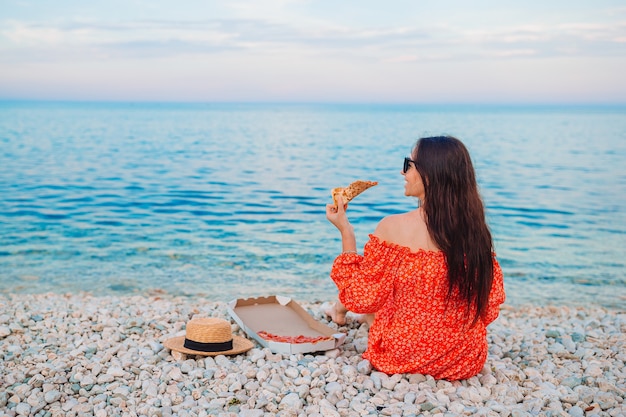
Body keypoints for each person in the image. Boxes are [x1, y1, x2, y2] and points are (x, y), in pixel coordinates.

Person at [325, 135, 505, 380]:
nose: (403, 172)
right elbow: (488, 306)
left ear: (429, 174)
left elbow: (360, 297)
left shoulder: (393, 227)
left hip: (401, 356)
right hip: (462, 359)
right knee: (398, 293)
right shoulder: (476, 232)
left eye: (409, 165)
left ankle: (337, 309)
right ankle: (337, 309)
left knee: (377, 296)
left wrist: (346, 230)